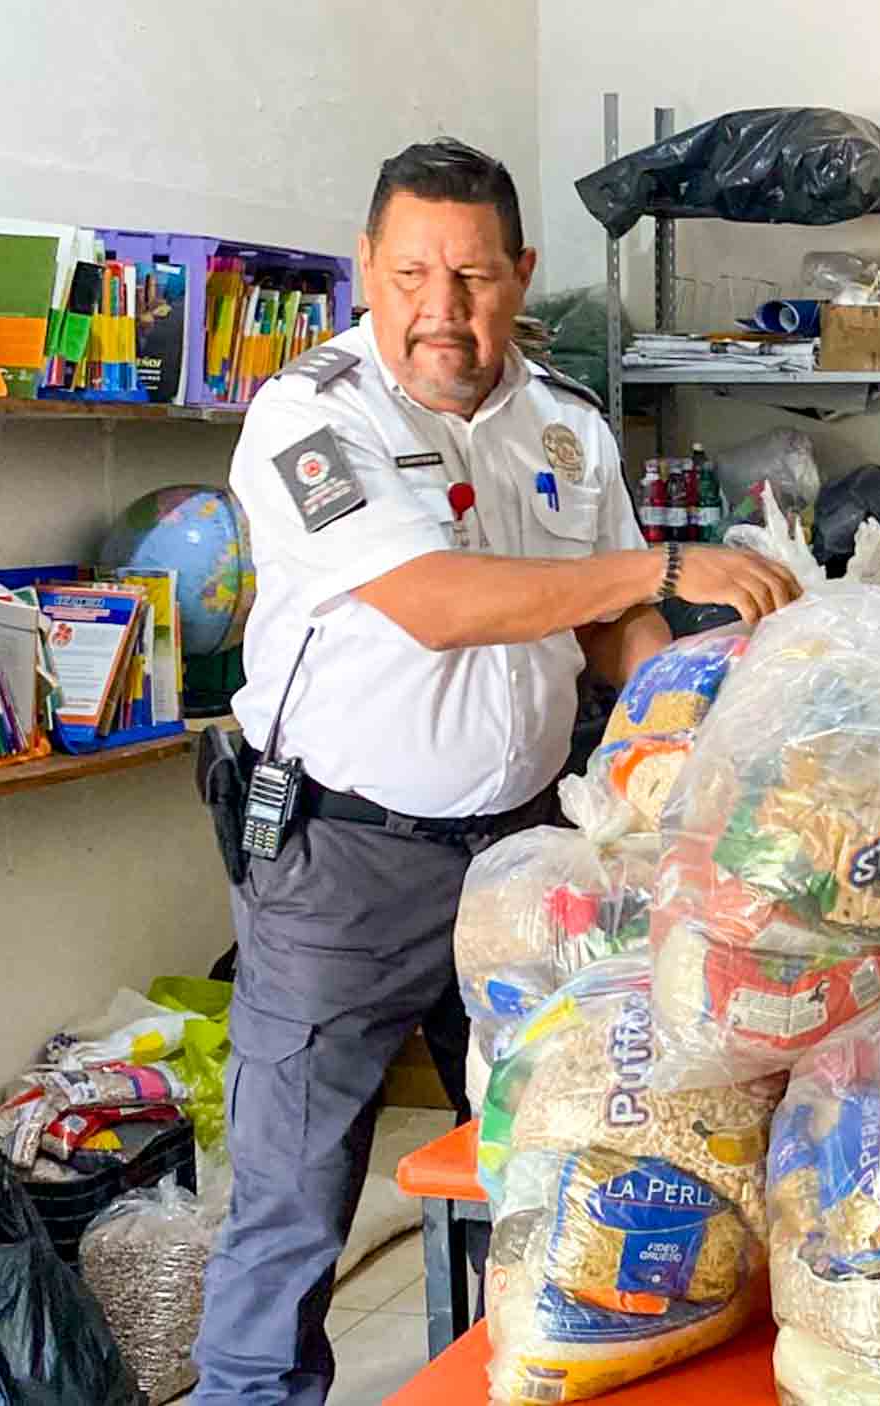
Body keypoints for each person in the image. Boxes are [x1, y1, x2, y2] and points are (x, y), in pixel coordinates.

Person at [192, 138, 800, 1405]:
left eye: (472, 277)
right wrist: (662, 567)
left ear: (519, 273)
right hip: (344, 864)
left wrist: (689, 730)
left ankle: (516, 1371)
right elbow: (437, 601)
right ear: (367, 266)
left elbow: (614, 626)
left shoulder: (565, 423)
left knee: (555, 1156)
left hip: (527, 857)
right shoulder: (315, 416)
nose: (442, 308)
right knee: (294, 1199)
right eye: (411, 274)